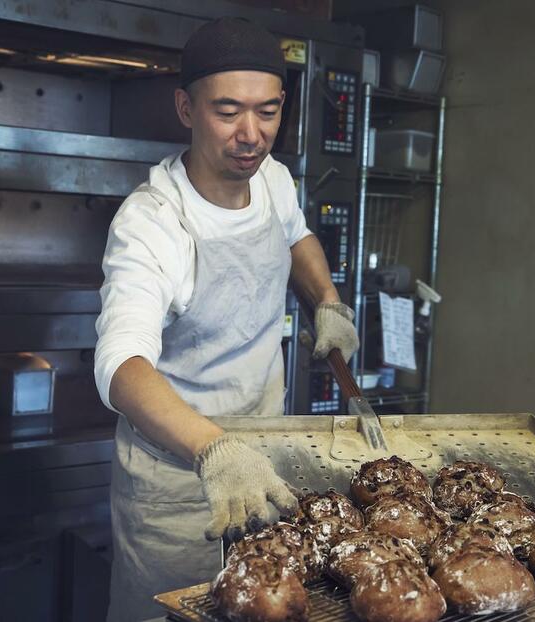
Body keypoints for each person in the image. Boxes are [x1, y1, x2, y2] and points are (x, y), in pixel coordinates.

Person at [93, 17, 360, 622]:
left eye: (267, 113)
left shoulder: (271, 179)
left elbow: (297, 237)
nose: (251, 135)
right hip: (178, 483)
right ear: (186, 109)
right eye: (228, 111)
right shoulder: (154, 222)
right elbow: (121, 365)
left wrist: (328, 301)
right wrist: (215, 451)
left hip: (265, 463)